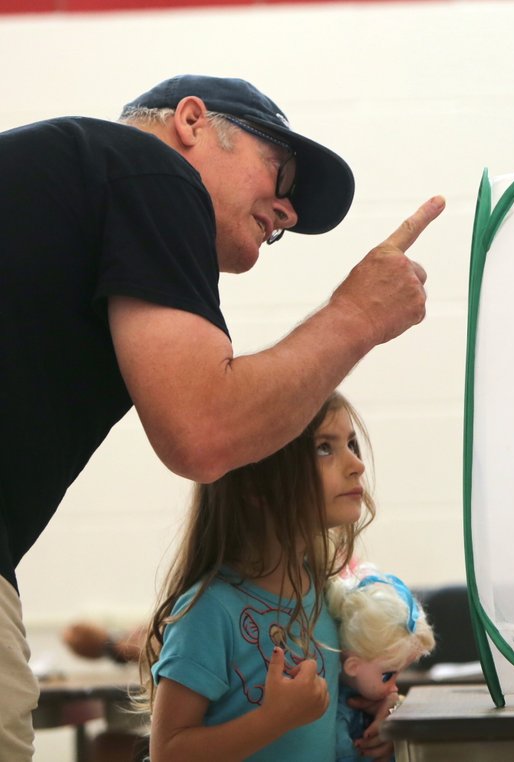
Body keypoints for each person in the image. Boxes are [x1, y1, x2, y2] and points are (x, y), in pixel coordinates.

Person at [0, 74, 443, 758]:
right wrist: (358, 316)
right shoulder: (151, 171)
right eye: (279, 170)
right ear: (192, 122)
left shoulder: (74, 193)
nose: (288, 211)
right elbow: (205, 432)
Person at [142, 391, 394, 760]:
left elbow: (345, 698)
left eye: (351, 444)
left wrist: (384, 714)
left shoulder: (327, 596)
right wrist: (272, 720)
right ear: (256, 483)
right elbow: (168, 752)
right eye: (324, 448)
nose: (356, 464)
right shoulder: (210, 611)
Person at [327, 563, 435, 762]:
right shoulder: (337, 714)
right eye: (388, 675)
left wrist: (394, 707)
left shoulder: (370, 697)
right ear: (352, 666)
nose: (394, 686)